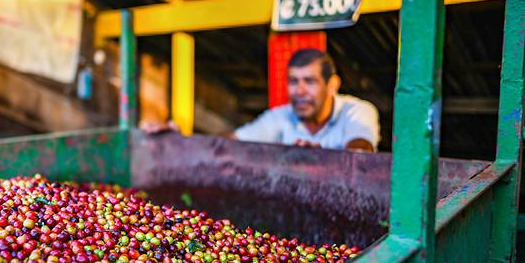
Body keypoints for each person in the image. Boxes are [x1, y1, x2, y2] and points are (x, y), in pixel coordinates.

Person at [142, 48, 381, 152]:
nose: (299, 91)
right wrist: (183, 140)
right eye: (293, 82)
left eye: (309, 82)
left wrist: (327, 157)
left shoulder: (357, 111)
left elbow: (361, 149)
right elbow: (233, 141)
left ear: (332, 85)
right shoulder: (280, 117)